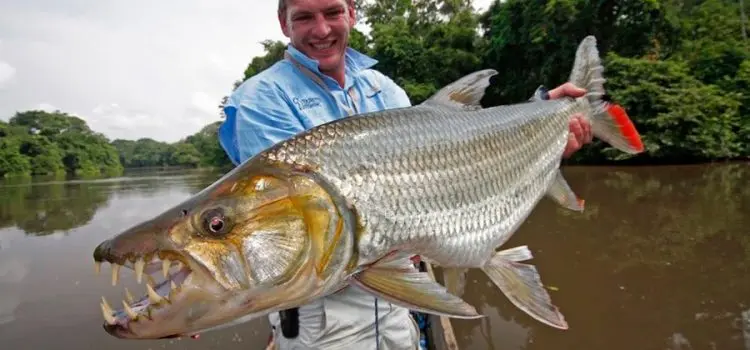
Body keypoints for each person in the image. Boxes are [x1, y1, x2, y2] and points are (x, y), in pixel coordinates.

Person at [217, 0, 592, 349]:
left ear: (352, 13)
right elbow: (285, 234)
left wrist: (544, 116)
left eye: (332, 12)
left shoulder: (384, 88)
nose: (321, 29)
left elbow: (447, 161)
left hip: (398, 304)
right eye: (304, 17)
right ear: (284, 23)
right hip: (323, 321)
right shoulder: (260, 99)